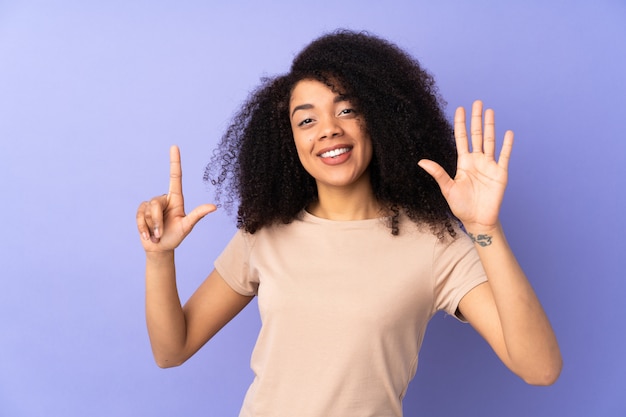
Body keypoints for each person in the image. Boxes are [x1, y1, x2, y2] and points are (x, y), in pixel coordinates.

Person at [136, 30, 562, 417]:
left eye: (347, 110)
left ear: (378, 120)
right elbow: (172, 351)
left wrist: (486, 229)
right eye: (307, 119)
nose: (328, 130)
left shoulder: (436, 243)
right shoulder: (264, 235)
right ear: (289, 141)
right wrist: (159, 256)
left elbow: (540, 369)